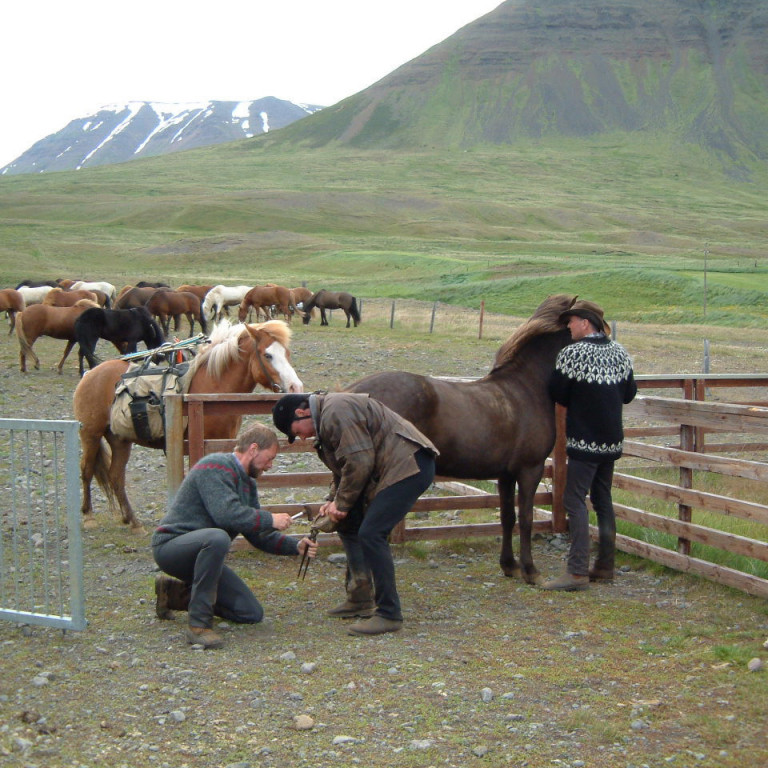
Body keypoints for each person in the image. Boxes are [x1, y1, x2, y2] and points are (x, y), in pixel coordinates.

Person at [272, 391, 438, 636]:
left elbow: (359, 461)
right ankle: (360, 597)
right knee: (349, 522)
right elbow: (343, 466)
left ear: (301, 412)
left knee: (372, 533)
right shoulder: (328, 418)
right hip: (394, 467)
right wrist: (333, 501)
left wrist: (342, 503)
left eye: (297, 431)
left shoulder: (336, 410)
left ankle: (389, 613)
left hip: (409, 466)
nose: (303, 437)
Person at [151, 422, 318, 648]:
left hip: (205, 552)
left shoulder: (247, 483)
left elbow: (257, 535)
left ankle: (173, 594)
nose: (269, 466)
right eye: (269, 458)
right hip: (171, 547)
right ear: (253, 449)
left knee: (250, 612)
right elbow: (227, 515)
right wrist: (270, 519)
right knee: (218, 537)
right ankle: (198, 626)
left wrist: (296, 546)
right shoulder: (215, 466)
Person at [542, 299, 637, 592]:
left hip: (585, 440)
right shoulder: (620, 352)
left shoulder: (572, 354)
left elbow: (557, 392)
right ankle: (605, 565)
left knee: (573, 499)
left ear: (585, 322)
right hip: (611, 441)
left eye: (571, 321)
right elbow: (629, 394)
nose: (568, 326)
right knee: (602, 499)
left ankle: (577, 571)